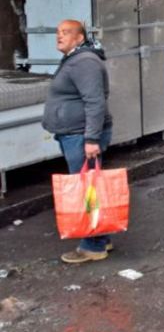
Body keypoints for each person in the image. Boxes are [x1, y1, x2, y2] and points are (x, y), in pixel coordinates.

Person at [43, 20, 114, 264]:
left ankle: (92, 246)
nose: (59, 37)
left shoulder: (84, 62)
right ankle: (102, 238)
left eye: (65, 33)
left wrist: (91, 138)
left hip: (81, 135)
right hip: (76, 133)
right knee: (90, 187)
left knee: (87, 191)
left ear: (80, 37)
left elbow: (95, 102)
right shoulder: (76, 59)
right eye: (58, 32)